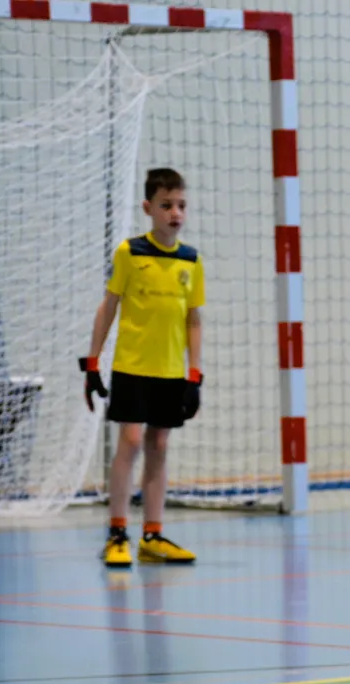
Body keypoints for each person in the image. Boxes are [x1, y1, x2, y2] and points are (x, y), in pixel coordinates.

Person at [81, 168, 204, 568]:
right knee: (131, 441)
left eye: (181, 205)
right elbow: (109, 306)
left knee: (159, 446)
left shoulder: (190, 260)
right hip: (132, 368)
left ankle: (153, 534)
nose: (175, 213)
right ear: (149, 208)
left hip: (170, 371)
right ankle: (117, 532)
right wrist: (92, 362)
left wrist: (195, 374)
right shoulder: (129, 253)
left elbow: (193, 319)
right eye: (167, 205)